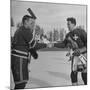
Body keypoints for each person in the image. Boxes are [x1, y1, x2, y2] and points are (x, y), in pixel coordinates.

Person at [54, 17, 87, 85]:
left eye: (69, 24)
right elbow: (63, 44)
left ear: (74, 24)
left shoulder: (81, 32)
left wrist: (81, 50)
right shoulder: (68, 35)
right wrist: (54, 44)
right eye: (67, 24)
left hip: (84, 56)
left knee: (85, 74)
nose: (67, 26)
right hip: (75, 57)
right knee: (73, 74)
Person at [11, 15, 38, 89]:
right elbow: (34, 45)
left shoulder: (20, 30)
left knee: (22, 83)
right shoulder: (24, 30)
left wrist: (33, 52)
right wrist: (47, 45)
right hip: (19, 60)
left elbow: (28, 46)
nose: (31, 24)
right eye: (30, 22)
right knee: (20, 84)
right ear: (25, 21)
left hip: (18, 60)